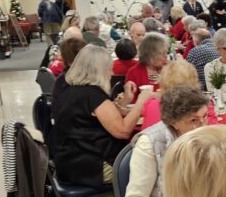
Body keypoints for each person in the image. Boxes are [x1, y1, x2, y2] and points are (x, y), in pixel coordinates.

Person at [115, 86, 209, 197]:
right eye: (193, 120)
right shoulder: (150, 143)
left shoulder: (202, 136)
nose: (202, 125)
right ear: (173, 122)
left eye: (205, 116)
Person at [52, 45, 154, 186]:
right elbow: (123, 131)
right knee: (148, 166)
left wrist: (127, 99)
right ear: (98, 71)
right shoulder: (92, 94)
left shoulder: (67, 88)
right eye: (108, 68)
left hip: (68, 161)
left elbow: (108, 113)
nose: (111, 73)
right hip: (93, 167)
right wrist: (141, 102)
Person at [124, 33, 170, 100]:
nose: (165, 57)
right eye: (162, 54)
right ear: (151, 55)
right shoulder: (134, 72)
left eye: (166, 53)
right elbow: (130, 100)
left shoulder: (168, 70)